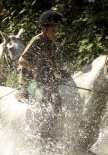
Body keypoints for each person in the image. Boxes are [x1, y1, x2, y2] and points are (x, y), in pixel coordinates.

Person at [17, 9, 71, 147]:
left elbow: (53, 66)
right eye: (54, 27)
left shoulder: (52, 44)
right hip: (29, 80)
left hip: (44, 80)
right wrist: (34, 68)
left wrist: (61, 73)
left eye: (58, 27)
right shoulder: (37, 40)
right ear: (44, 28)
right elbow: (21, 60)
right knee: (44, 97)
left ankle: (56, 129)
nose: (57, 30)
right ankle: (42, 134)